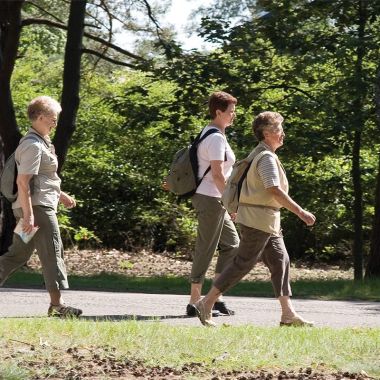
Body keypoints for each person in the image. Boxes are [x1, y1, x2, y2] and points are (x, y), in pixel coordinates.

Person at [194, 111, 316, 327]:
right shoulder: (266, 158)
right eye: (279, 130)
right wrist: (301, 212)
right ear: (267, 133)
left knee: (280, 261)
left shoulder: (260, 153)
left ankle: (288, 314)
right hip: (258, 220)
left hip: (267, 220)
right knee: (243, 263)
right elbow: (274, 189)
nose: (283, 134)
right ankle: (207, 302)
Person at [0, 96, 82, 318]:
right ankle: (57, 306)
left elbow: (42, 178)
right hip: (38, 211)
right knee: (52, 252)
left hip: (35, 207)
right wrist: (28, 216)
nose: (55, 123)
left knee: (17, 254)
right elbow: (23, 182)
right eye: (52, 119)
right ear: (40, 117)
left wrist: (61, 194)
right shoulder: (33, 145)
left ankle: (56, 305)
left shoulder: (41, 142)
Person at [186, 91, 240, 317]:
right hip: (210, 197)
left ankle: (214, 298)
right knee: (206, 248)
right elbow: (218, 175)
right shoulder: (215, 138)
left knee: (232, 244)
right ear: (218, 112)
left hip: (214, 198)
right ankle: (194, 302)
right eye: (230, 111)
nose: (234, 115)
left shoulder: (212, 133)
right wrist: (231, 203)